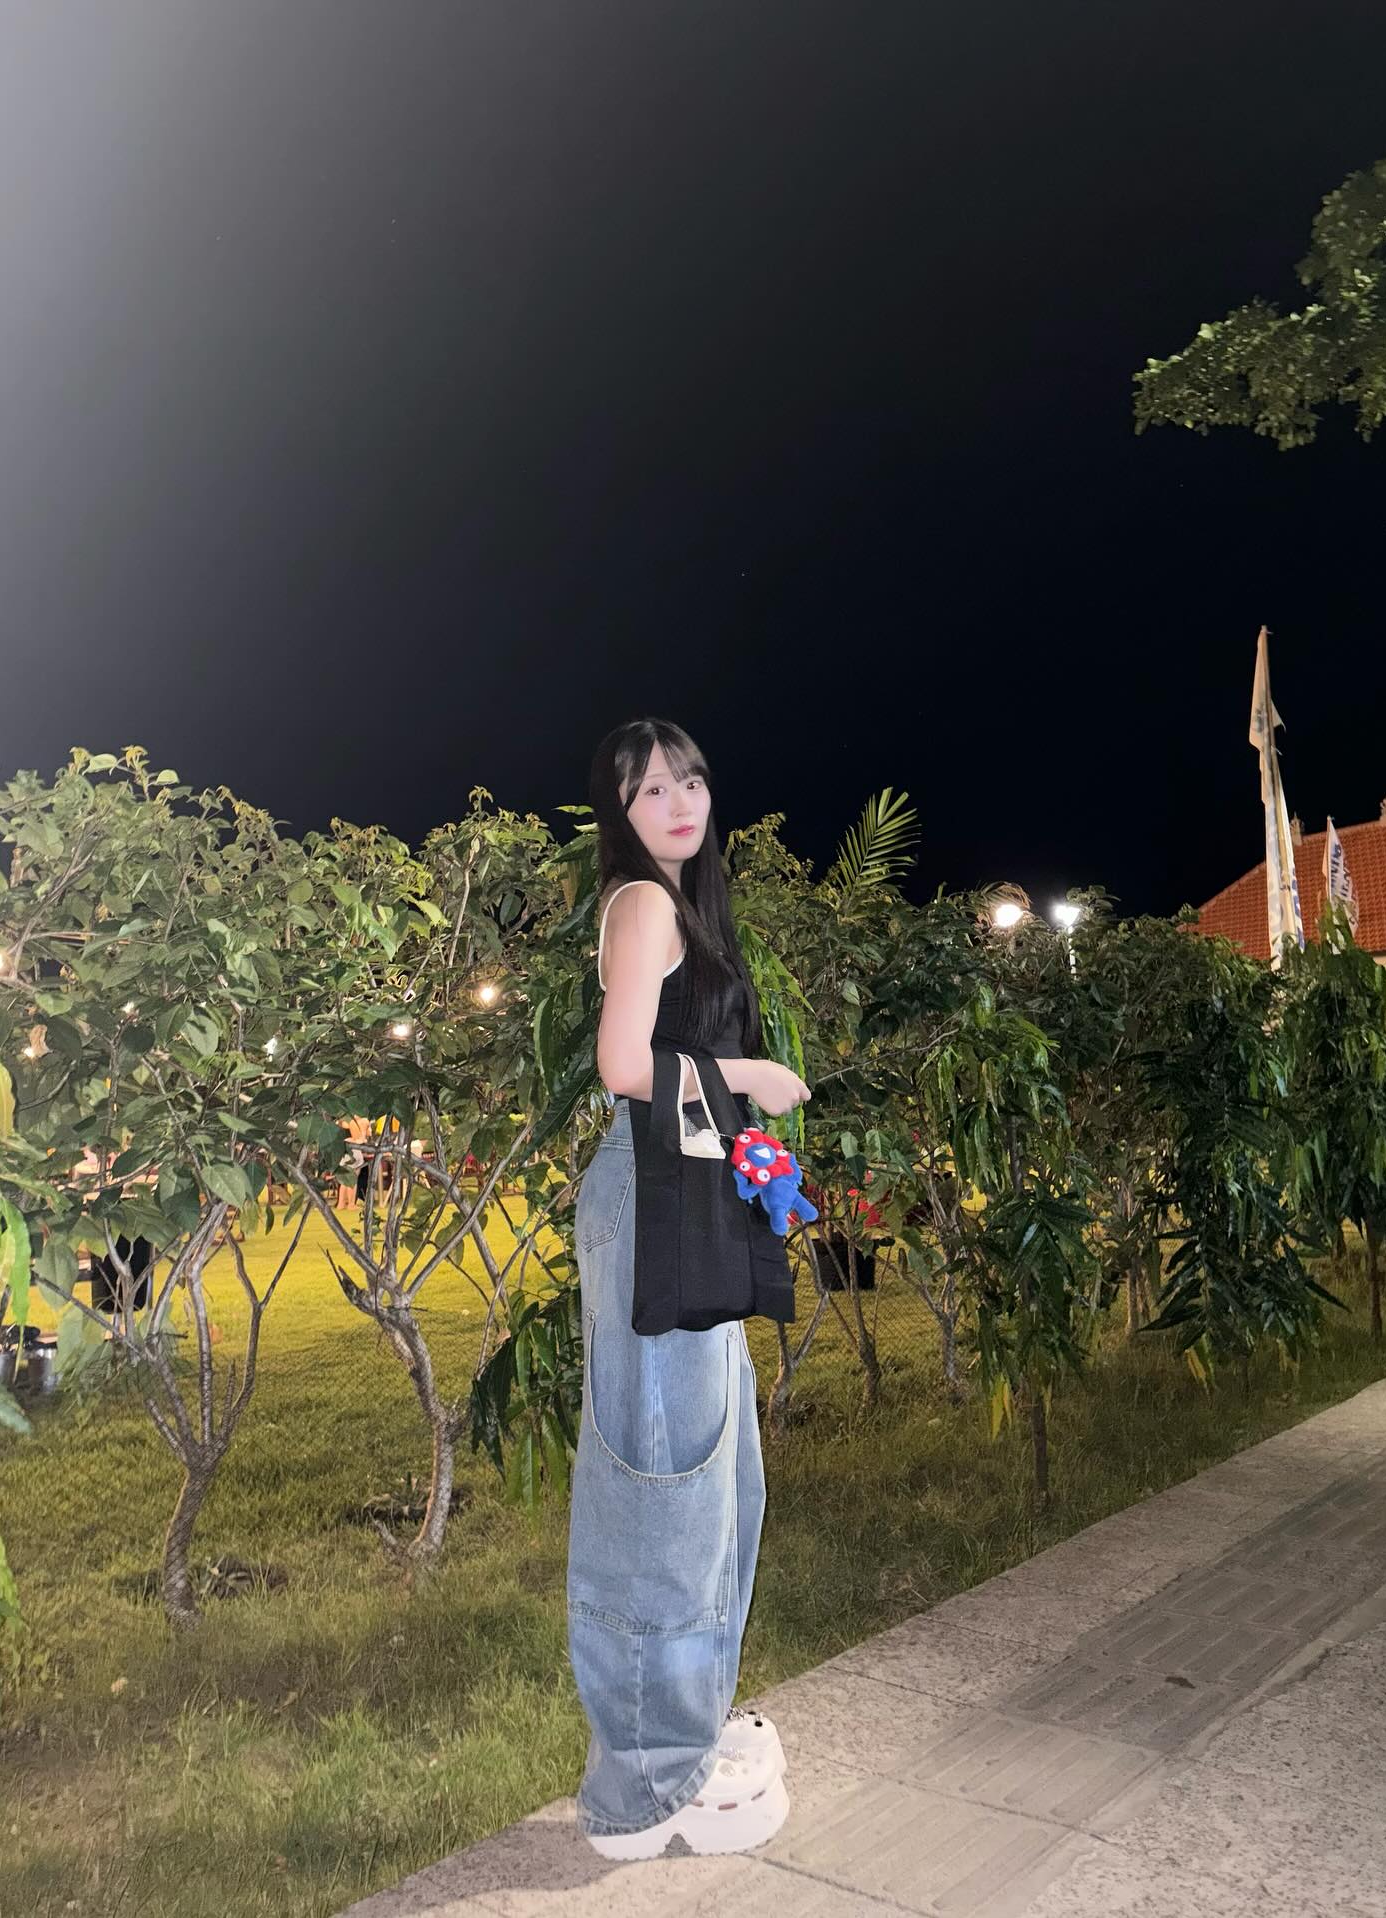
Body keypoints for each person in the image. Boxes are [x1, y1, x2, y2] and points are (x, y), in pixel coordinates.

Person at [567, 717, 812, 1860]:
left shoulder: (682, 906)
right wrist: (754, 1073)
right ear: (617, 812)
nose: (679, 802)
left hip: (686, 1185)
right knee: (665, 1484)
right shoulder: (643, 906)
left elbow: (671, 1076)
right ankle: (647, 1784)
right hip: (652, 1195)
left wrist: (753, 1156)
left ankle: (684, 1728)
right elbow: (625, 1066)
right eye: (650, 788)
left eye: (692, 781)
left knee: (716, 1475)